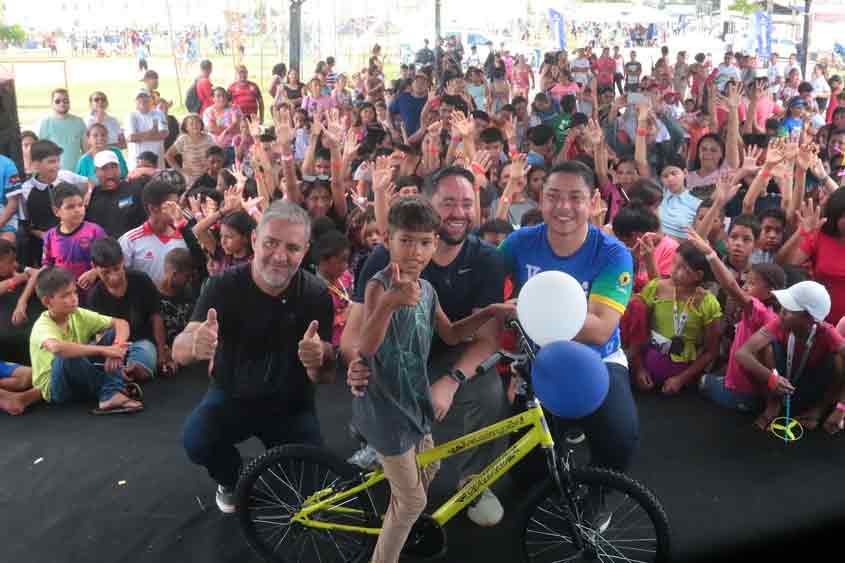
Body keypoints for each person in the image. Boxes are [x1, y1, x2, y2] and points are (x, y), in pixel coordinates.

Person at [343, 166, 509, 528]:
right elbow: (354, 336)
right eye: (448, 202)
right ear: (428, 204)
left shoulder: (486, 259)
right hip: (393, 364)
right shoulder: (383, 263)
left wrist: (450, 381)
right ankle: (378, 445)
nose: (459, 212)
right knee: (410, 497)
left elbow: (480, 337)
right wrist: (355, 362)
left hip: (444, 356)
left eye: (467, 203)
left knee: (488, 391)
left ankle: (473, 483)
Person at [177, 201, 337, 514]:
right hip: (232, 395)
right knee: (197, 440)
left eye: (292, 248)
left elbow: (326, 375)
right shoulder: (222, 286)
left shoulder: (316, 294)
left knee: (311, 488)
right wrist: (194, 345)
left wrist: (319, 360)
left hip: (291, 404)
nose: (279, 256)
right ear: (254, 241)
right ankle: (230, 478)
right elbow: (182, 347)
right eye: (270, 243)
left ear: (305, 251)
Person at [497, 161, 639, 472]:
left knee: (620, 437)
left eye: (575, 197)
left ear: (593, 202)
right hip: (537, 357)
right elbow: (489, 291)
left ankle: (597, 502)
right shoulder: (520, 243)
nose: (563, 207)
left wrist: (528, 313)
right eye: (553, 196)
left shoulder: (613, 254)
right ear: (541, 198)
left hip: (599, 358)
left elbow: (600, 329)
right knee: (526, 473)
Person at [28, 266, 143, 414]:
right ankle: (111, 391)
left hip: (78, 376)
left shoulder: (76, 313)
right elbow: (57, 348)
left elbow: (121, 323)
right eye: (65, 295)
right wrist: (105, 350)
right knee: (65, 356)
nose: (74, 298)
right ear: (47, 301)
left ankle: (111, 391)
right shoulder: (42, 325)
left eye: (74, 292)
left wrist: (116, 347)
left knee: (114, 334)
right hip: (57, 389)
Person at [736, 280, 845, 434]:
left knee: (839, 359)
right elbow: (742, 353)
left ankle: (818, 410)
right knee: (765, 347)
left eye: (790, 310)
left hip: (812, 386)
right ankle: (772, 404)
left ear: (809, 317)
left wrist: (841, 407)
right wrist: (771, 378)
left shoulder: (827, 332)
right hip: (780, 384)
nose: (782, 312)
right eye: (783, 307)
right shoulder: (779, 323)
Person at [87, 237, 167, 380]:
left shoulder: (141, 280)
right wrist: (113, 352)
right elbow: (100, 335)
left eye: (117, 269)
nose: (114, 277)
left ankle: (126, 373)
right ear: (94, 267)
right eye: (106, 272)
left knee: (145, 365)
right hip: (111, 345)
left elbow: (156, 317)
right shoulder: (95, 295)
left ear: (123, 260)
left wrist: (161, 353)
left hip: (141, 341)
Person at [5, 140, 89, 268]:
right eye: (51, 162)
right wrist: (48, 237)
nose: (57, 166)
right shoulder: (26, 190)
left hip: (77, 237)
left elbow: (88, 184)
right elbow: (27, 225)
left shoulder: (67, 176)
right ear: (36, 165)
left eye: (58, 161)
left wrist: (86, 196)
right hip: (44, 244)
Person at [118, 180, 188, 286]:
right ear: (152, 208)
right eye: (171, 205)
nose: (177, 210)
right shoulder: (129, 241)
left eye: (178, 204)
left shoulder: (184, 237)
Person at [40, 182, 106, 289]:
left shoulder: (95, 231)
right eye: (70, 207)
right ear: (56, 211)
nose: (77, 210)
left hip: (92, 291)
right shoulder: (50, 236)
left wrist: (95, 272)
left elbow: (110, 260)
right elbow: (47, 265)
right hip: (63, 293)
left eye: (80, 205)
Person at [85, 151, 148, 239]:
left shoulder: (134, 189)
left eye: (114, 167)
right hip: (103, 249)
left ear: (119, 169)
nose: (110, 172)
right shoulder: (91, 197)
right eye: (104, 168)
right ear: (96, 172)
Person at [39, 89, 87, 172]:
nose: (62, 103)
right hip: (54, 174)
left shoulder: (79, 122)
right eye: (58, 101)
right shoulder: (46, 123)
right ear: (52, 104)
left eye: (65, 101)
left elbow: (86, 150)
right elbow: (42, 153)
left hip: (77, 173)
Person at [165, 114, 214, 188]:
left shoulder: (208, 138)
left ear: (201, 124)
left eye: (197, 122)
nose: (195, 125)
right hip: (190, 179)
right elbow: (168, 155)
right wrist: (180, 170)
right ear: (186, 127)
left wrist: (211, 168)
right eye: (191, 123)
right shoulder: (183, 139)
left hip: (207, 176)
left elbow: (216, 155)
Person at [126, 89, 168, 171]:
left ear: (150, 100)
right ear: (135, 101)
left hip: (157, 161)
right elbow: (131, 138)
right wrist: (152, 131)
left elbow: (164, 134)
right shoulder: (131, 116)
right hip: (137, 162)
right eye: (139, 97)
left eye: (145, 96)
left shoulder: (159, 113)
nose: (142, 99)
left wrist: (139, 137)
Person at [203, 88, 242, 167]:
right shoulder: (208, 111)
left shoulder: (235, 108)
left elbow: (239, 127)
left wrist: (221, 128)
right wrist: (230, 128)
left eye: (224, 95)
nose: (222, 98)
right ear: (213, 98)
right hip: (216, 149)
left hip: (234, 147)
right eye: (218, 96)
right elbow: (212, 129)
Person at [389, 71, 429, 136]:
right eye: (416, 81)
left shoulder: (431, 99)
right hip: (404, 137)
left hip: (426, 139)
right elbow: (389, 111)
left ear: (427, 85)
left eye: (423, 82)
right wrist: (392, 130)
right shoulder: (403, 97)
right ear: (412, 84)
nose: (419, 84)